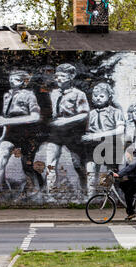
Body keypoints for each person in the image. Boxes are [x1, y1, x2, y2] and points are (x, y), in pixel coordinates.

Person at [0, 70, 44, 192]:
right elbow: (6, 118)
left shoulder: (29, 95)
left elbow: (35, 117)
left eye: (16, 79)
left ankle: (39, 188)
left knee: (27, 166)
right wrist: (3, 135)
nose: (12, 81)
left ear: (24, 82)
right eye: (11, 78)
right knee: (1, 158)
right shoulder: (7, 96)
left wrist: (5, 122)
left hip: (27, 133)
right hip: (11, 133)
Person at [45, 63, 90, 195]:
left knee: (77, 164)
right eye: (56, 76)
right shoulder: (53, 93)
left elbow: (84, 113)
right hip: (56, 132)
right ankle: (50, 193)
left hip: (73, 132)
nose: (58, 79)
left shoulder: (78, 94)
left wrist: (67, 120)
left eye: (62, 76)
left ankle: (84, 190)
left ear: (71, 77)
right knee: (50, 161)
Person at [113, 147, 136, 220]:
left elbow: (129, 168)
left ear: (131, 154)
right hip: (135, 180)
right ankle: (132, 200)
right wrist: (117, 172)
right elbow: (126, 169)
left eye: (127, 153)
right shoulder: (130, 160)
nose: (126, 154)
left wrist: (118, 175)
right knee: (122, 184)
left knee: (128, 194)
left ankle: (131, 213)